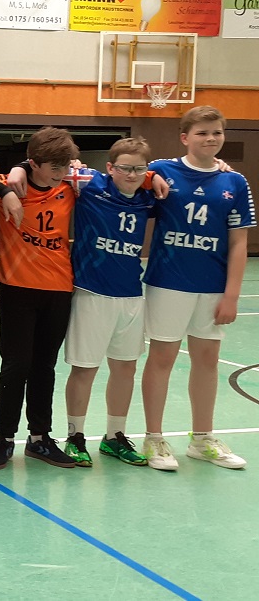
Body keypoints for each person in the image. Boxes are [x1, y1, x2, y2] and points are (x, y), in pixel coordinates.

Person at [139, 106, 253, 471]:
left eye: (217, 132)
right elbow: (128, 176)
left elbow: (239, 242)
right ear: (185, 137)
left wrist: (231, 295)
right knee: (162, 359)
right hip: (168, 282)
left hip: (212, 286)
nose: (211, 138)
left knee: (207, 361)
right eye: (202, 132)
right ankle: (154, 438)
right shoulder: (161, 170)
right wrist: (149, 176)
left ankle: (202, 439)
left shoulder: (234, 182)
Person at [0, 127, 83, 470]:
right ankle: (4, 438)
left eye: (65, 165)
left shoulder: (72, 185)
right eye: (54, 166)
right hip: (18, 289)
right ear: (35, 163)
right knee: (16, 366)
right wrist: (7, 184)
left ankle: (40, 438)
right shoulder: (5, 185)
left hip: (59, 289)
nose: (61, 172)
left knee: (45, 366)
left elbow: (130, 174)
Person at [61, 138, 160, 468]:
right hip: (91, 292)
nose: (131, 174)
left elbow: (176, 175)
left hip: (130, 294)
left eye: (138, 169)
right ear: (109, 167)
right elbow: (40, 168)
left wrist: (154, 175)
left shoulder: (148, 196)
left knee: (125, 367)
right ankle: (75, 436)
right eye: (124, 168)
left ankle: (114, 436)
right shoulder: (88, 183)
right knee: (84, 368)